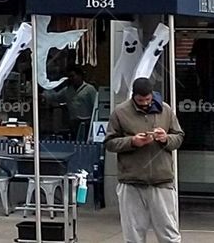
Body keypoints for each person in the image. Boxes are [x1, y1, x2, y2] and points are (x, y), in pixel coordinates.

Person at [104, 76, 183, 243]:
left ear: (152, 95)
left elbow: (179, 137)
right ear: (134, 96)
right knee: (133, 234)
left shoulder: (166, 110)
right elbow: (110, 143)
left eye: (148, 99)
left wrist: (165, 138)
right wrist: (132, 141)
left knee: (169, 233)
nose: (145, 103)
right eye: (141, 100)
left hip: (161, 180)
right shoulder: (120, 112)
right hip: (132, 181)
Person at [57, 67, 97, 141]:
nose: (71, 79)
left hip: (86, 121)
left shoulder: (89, 89)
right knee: (74, 141)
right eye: (69, 77)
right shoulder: (68, 90)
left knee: (85, 141)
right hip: (73, 122)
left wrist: (94, 120)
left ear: (80, 76)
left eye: (73, 76)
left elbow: (95, 105)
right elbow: (56, 97)